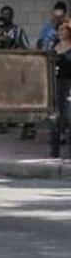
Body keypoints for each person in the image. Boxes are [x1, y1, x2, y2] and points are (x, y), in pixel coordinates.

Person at [51, 21, 71, 157]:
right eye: (59, 29)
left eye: (64, 29)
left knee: (68, 112)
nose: (61, 32)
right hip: (57, 82)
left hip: (69, 82)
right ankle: (55, 149)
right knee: (57, 113)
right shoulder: (54, 45)